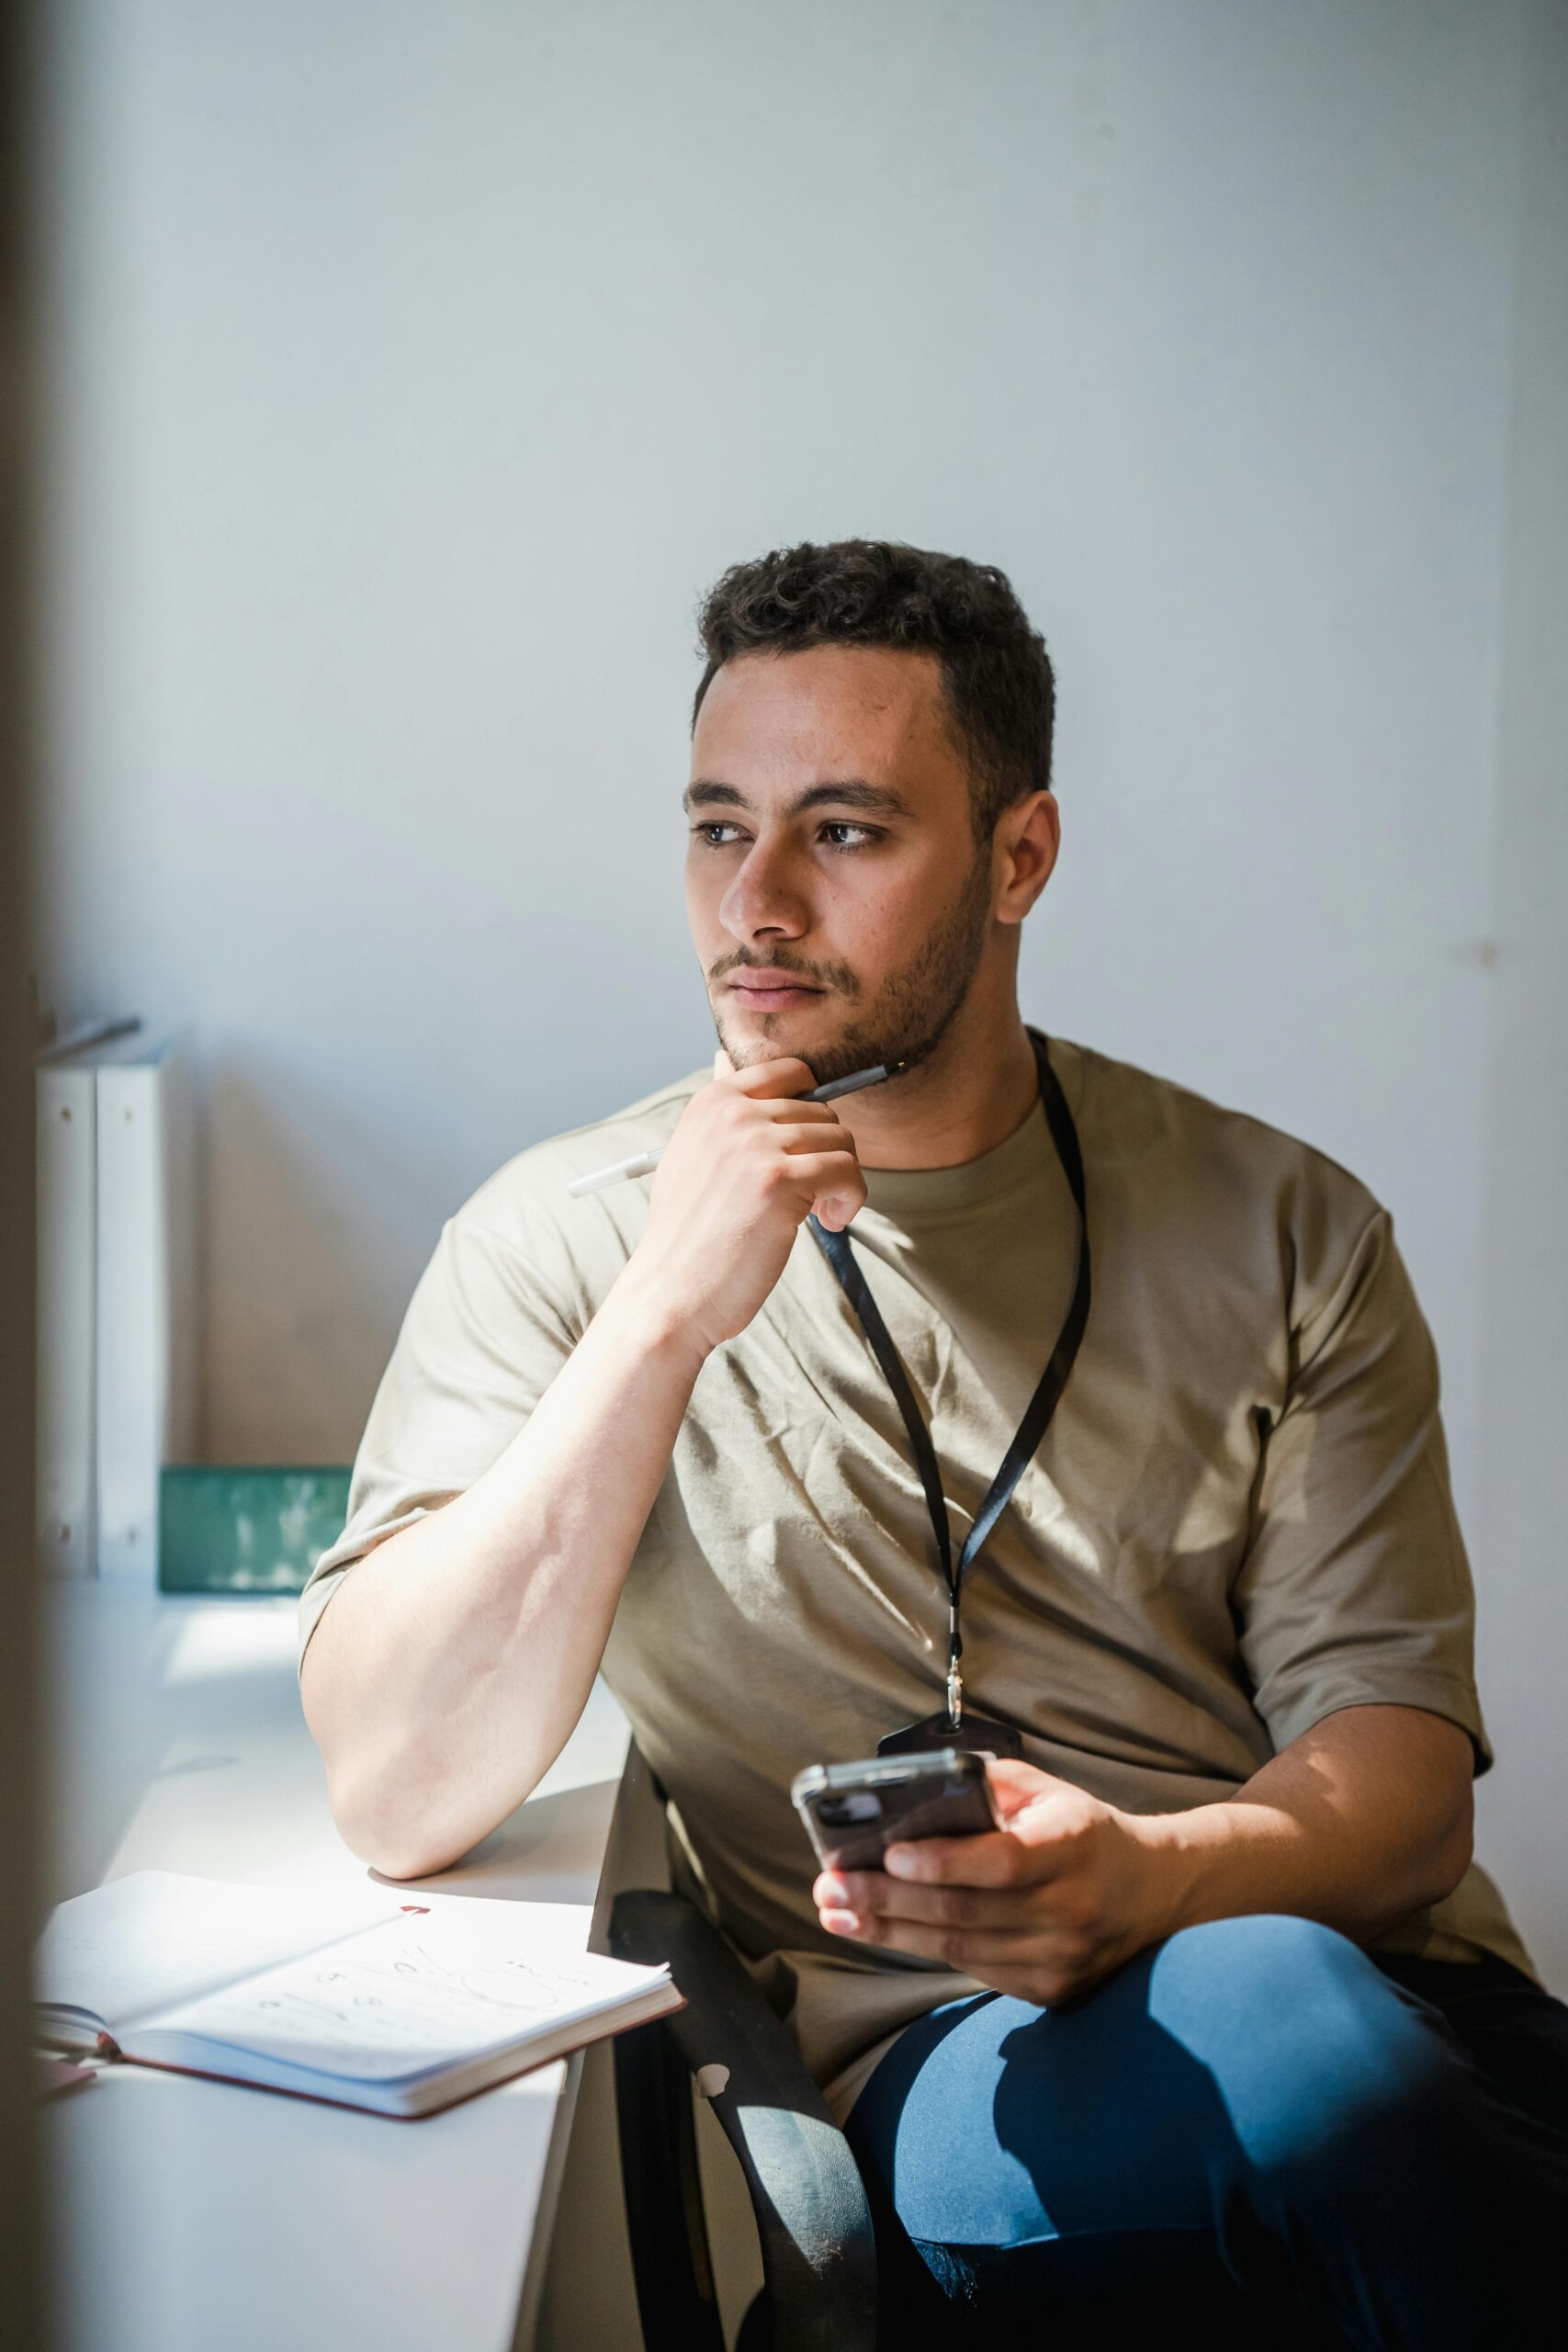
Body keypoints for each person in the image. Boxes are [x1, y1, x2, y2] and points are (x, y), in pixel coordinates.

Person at [299, 539, 1568, 2345]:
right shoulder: (561, 1243)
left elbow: (1398, 1776)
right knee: (1304, 2044)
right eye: (716, 825)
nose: (758, 902)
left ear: (1016, 857)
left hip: (1381, 1999)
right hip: (957, 2066)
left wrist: (1150, 1873)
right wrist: (662, 1309)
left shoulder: (1285, 1228)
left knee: (1299, 2006)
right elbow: (395, 1780)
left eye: (844, 830)